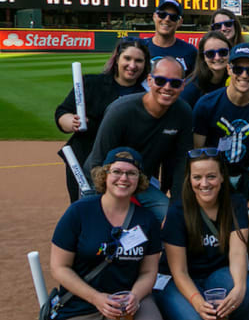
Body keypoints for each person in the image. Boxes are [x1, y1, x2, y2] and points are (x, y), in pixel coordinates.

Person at [51, 147, 164, 320]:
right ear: (105, 175)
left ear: (140, 180)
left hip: (124, 303)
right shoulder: (79, 212)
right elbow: (59, 268)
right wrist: (96, 298)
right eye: (117, 171)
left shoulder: (147, 220)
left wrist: (134, 296)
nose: (124, 178)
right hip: (82, 305)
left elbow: (148, 271)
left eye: (131, 173)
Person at [155, 149, 249, 320]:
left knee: (247, 287)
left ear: (222, 176)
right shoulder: (177, 211)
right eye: (197, 177)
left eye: (211, 176)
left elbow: (238, 253)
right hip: (181, 280)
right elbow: (179, 271)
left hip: (216, 275)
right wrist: (196, 301)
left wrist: (238, 288)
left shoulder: (236, 203)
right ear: (189, 179)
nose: (204, 183)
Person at [83, 57, 193, 221]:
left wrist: (177, 205)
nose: (167, 87)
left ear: (183, 85)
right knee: (98, 227)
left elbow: (181, 162)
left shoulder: (183, 112)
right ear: (149, 80)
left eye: (175, 83)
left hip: (140, 183)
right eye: (160, 81)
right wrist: (111, 199)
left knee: (172, 219)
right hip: (103, 181)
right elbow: (98, 161)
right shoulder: (121, 111)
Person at [56, 37, 150, 202]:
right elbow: (62, 112)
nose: (132, 65)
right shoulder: (92, 83)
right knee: (84, 209)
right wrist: (71, 121)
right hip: (84, 159)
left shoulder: (147, 96)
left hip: (123, 167)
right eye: (127, 58)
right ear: (117, 59)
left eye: (139, 60)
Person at [193, 43, 249, 213]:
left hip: (245, 172)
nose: (244, 75)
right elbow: (197, 151)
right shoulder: (207, 104)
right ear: (229, 69)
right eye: (238, 69)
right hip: (212, 174)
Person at [142, 0, 197, 74]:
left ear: (180, 22)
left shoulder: (190, 52)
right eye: (162, 14)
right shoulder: (141, 48)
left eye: (173, 17)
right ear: (154, 16)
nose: (167, 19)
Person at [180, 31, 230, 108]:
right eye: (210, 54)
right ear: (203, 57)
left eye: (223, 52)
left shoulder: (235, 80)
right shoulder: (190, 88)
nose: (217, 57)